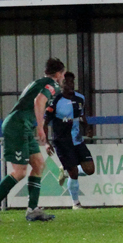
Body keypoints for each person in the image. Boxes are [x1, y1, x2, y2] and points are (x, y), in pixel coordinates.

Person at [0, 58, 66, 223]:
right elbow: (38, 101)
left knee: (38, 164)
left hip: (23, 125)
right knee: (20, 172)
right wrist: (40, 127)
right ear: (57, 74)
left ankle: (32, 210)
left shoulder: (38, 82)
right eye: (63, 74)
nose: (63, 78)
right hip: (17, 126)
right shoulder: (52, 85)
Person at [46, 71, 95, 210]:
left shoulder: (80, 98)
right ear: (61, 84)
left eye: (72, 82)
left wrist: (87, 128)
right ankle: (76, 204)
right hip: (62, 142)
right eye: (66, 82)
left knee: (90, 169)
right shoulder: (55, 100)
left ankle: (66, 169)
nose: (70, 84)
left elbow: (81, 115)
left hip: (77, 140)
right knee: (73, 174)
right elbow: (45, 122)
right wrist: (46, 142)